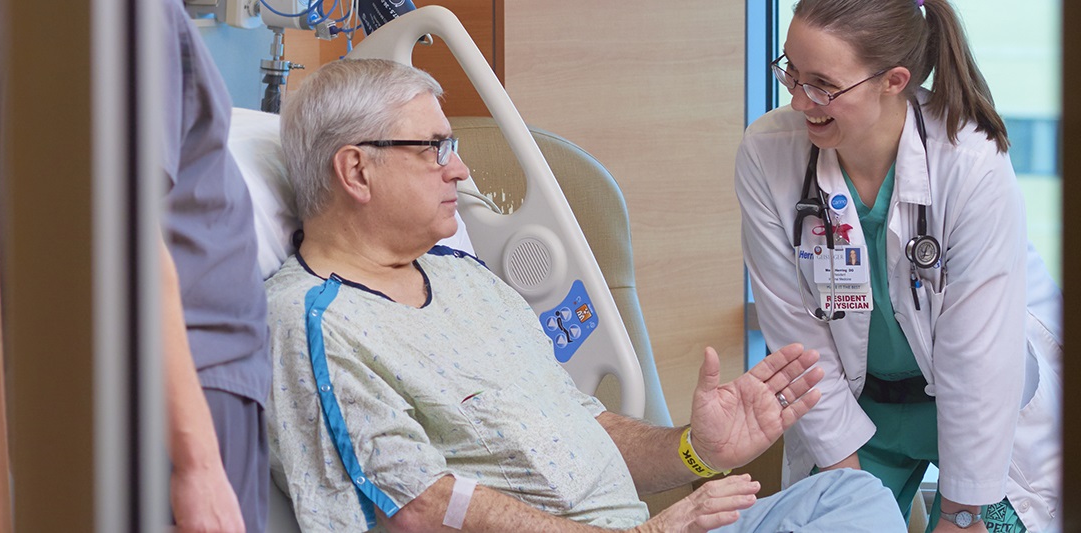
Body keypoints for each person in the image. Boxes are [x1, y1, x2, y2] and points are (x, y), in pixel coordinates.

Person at [265, 58, 906, 533]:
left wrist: (696, 450)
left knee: (856, 501)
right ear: (355, 170)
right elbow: (419, 506)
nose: (458, 169)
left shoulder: (467, 281)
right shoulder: (313, 321)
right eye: (434, 149)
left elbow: (583, 433)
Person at [734, 0, 1063, 531]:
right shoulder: (767, 152)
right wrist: (848, 492)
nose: (797, 101)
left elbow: (977, 355)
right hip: (856, 410)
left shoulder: (969, 159)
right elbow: (797, 339)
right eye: (790, 72)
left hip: (982, 411)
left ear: (894, 80)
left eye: (822, 84)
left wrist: (962, 514)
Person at [157, 1, 273, 531]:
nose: (456, 170)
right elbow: (119, 236)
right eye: (433, 148)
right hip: (186, 386)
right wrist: (196, 463)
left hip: (200, 375)